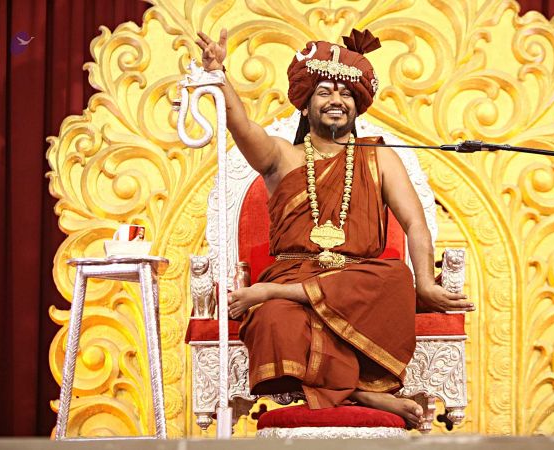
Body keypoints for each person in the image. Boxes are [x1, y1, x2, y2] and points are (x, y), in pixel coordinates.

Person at [195, 28, 474, 428]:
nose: (336, 100)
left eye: (346, 94)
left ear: (357, 106)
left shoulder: (380, 158)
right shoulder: (281, 156)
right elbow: (241, 126)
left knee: (396, 276)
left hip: (358, 287)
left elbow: (414, 222)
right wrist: (218, 75)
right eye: (324, 92)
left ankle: (275, 294)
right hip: (295, 272)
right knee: (272, 319)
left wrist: (427, 283)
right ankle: (362, 393)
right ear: (306, 104)